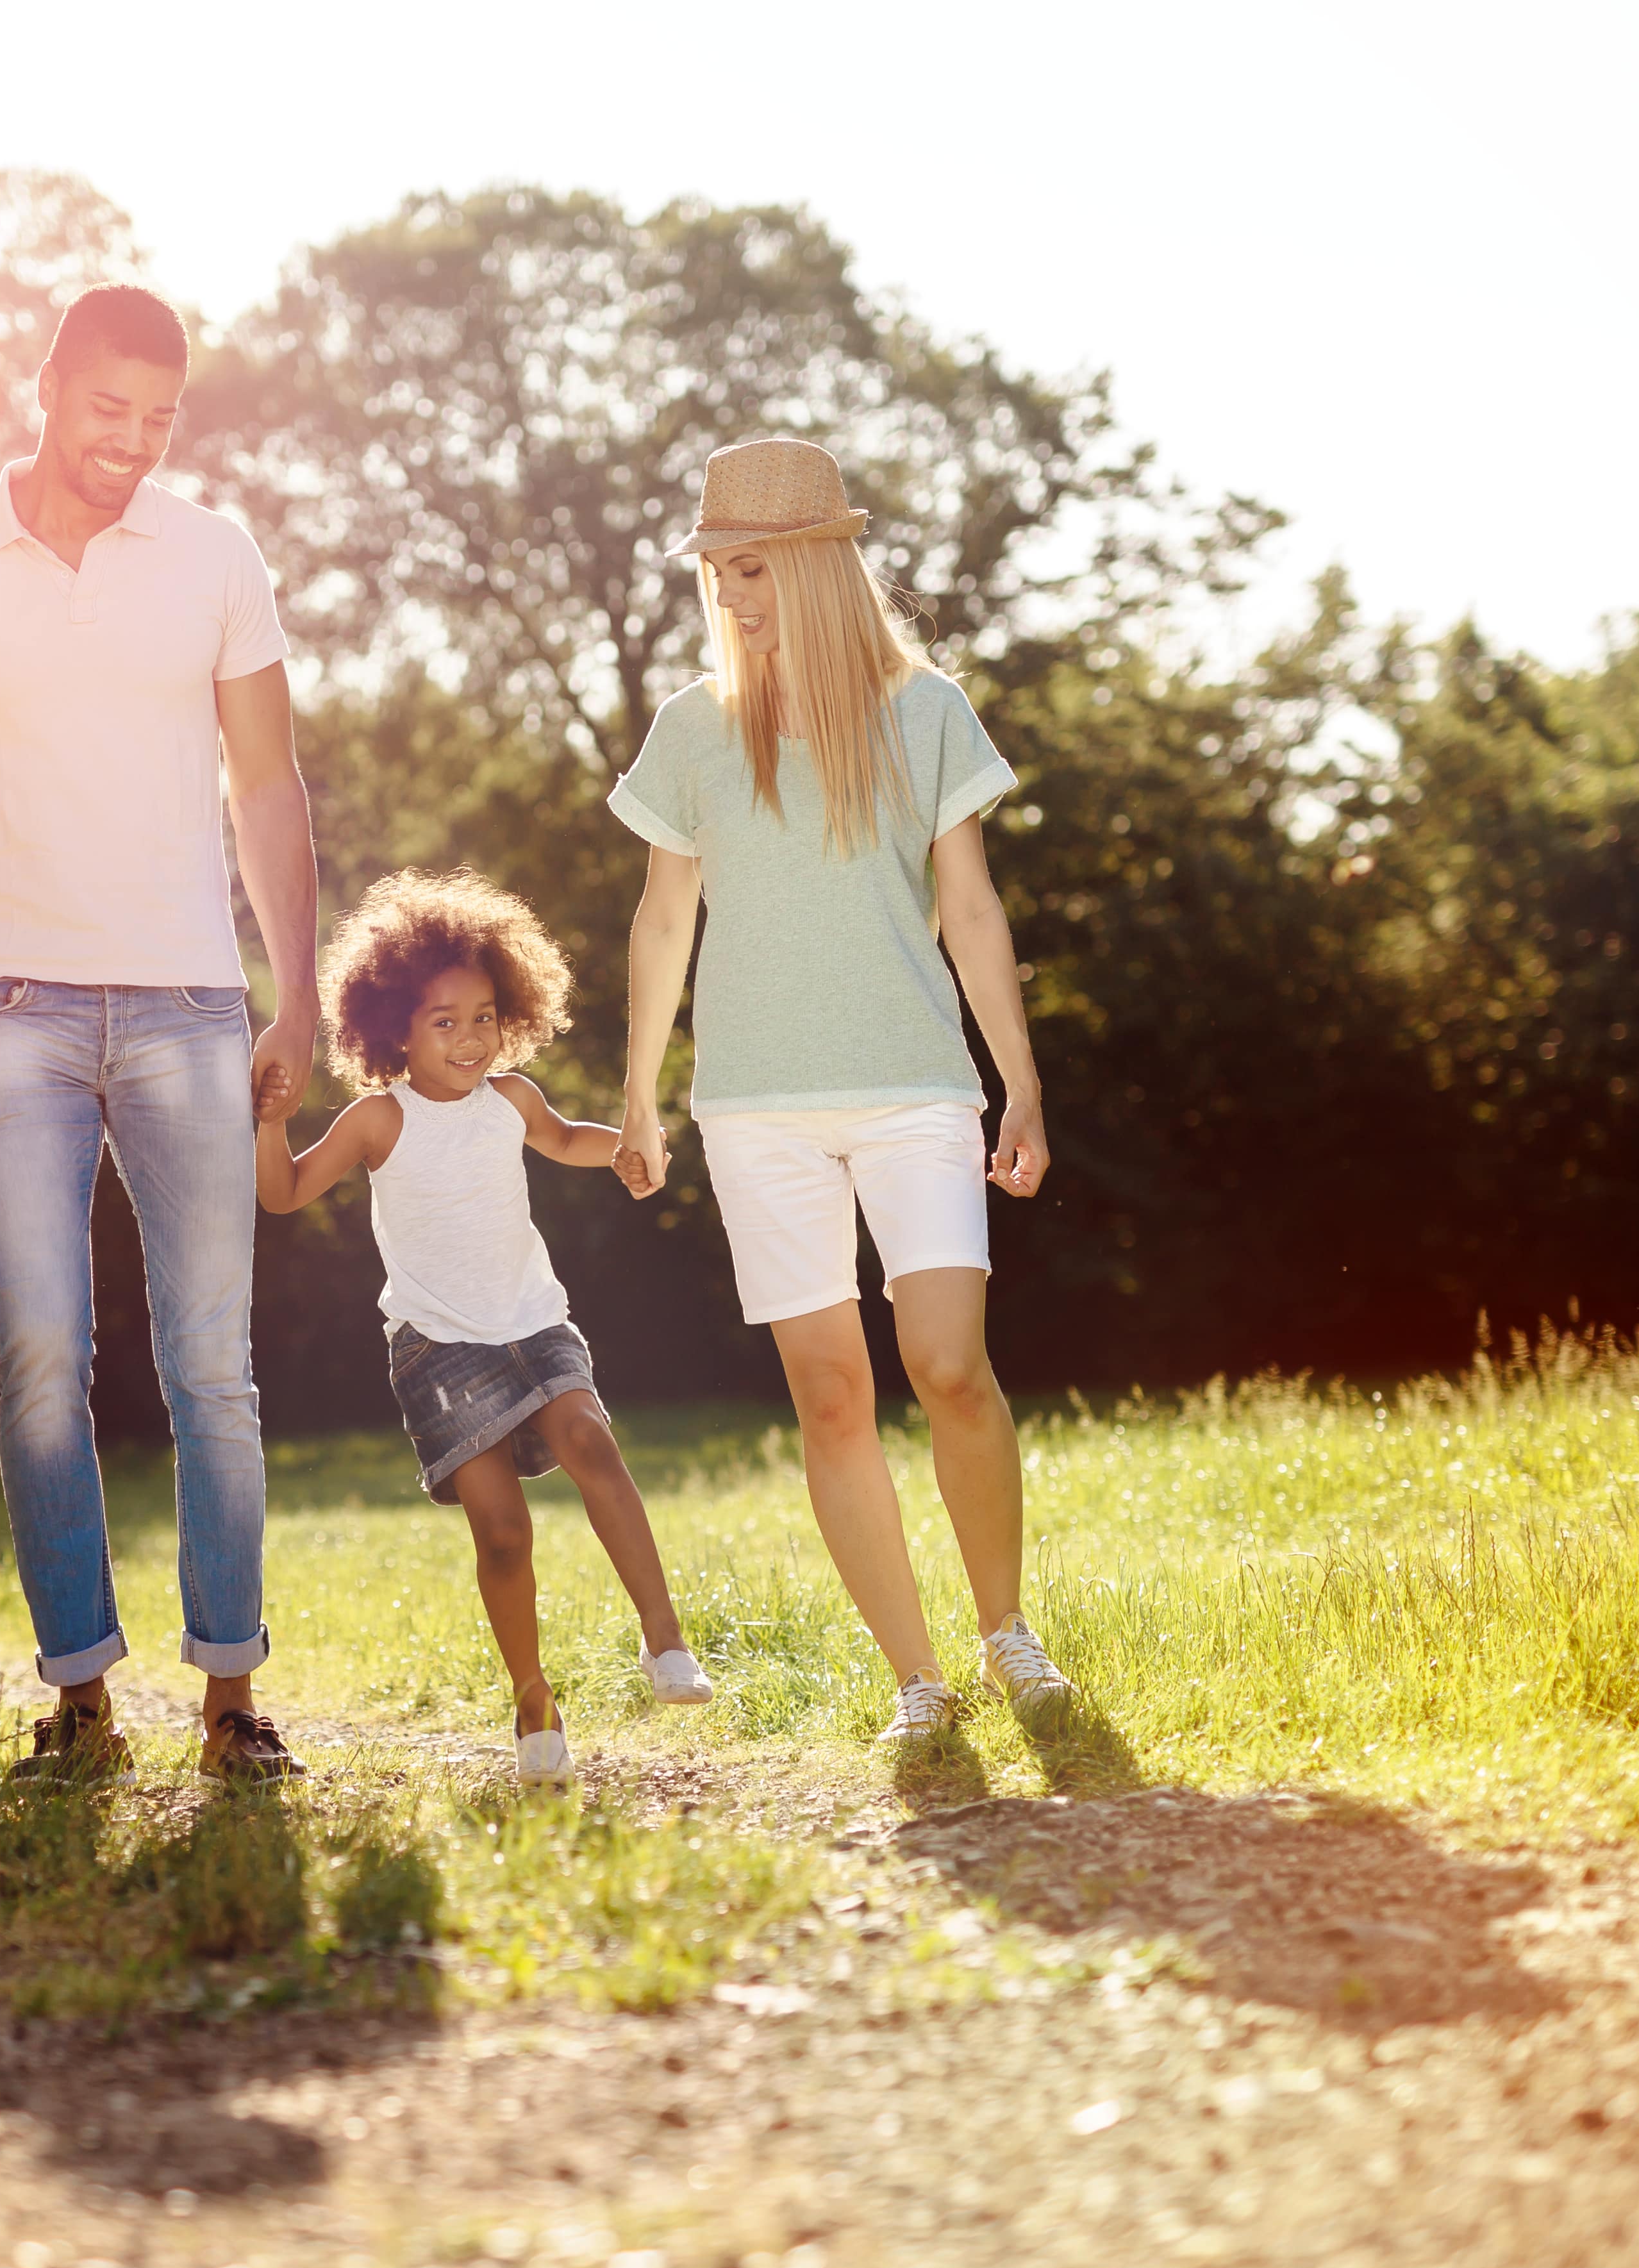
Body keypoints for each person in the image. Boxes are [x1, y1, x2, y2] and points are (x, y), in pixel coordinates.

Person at [0, 282, 317, 1785]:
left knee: (210, 1363)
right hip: (7, 1012)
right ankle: (81, 1697)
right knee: (38, 1353)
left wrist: (294, 980)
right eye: (109, 408)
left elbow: (270, 781)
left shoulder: (216, 556)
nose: (131, 442)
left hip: (186, 1004)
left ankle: (232, 1698)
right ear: (47, 389)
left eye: (159, 418)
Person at [606, 437, 1082, 1751]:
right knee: (828, 1394)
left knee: (947, 1363)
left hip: (914, 1084)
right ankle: (916, 1681)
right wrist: (640, 1095)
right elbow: (661, 922)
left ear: (820, 564)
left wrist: (1018, 1083)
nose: (731, 596)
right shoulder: (694, 730)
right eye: (717, 571)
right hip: (753, 1104)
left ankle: (1005, 1635)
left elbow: (970, 909)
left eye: (751, 568)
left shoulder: (926, 710)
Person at [257, 871, 715, 1787]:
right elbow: (283, 1193)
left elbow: (564, 1138)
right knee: (501, 1535)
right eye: (443, 1021)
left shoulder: (509, 1098)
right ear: (393, 1028)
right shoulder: (376, 1120)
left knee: (592, 1441)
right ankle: (532, 1701)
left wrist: (629, 1144)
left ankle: (664, 1639)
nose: (470, 1040)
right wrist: (269, 1123)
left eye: (483, 1017)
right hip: (438, 1350)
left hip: (532, 1321)